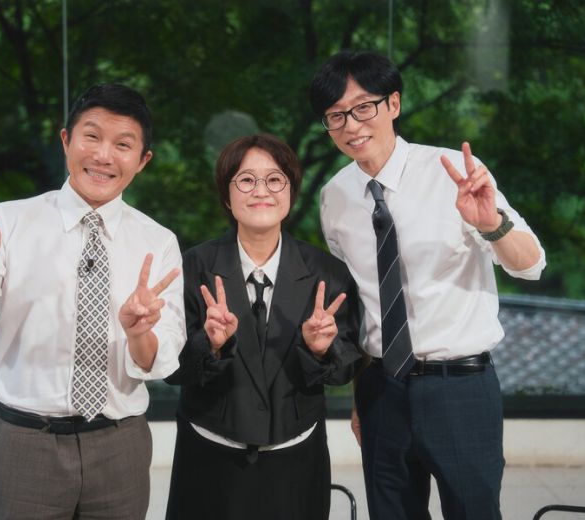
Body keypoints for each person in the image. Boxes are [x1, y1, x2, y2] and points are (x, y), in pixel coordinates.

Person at [0, 83, 186, 519]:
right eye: (92, 136)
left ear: (143, 160)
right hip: (26, 441)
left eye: (123, 145)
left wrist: (138, 333)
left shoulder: (158, 242)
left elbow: (158, 363)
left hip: (120, 444)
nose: (103, 155)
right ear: (66, 140)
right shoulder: (7, 222)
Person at [310, 51, 546, 520]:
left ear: (393, 104)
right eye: (336, 115)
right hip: (381, 389)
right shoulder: (334, 197)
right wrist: (359, 400)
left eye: (363, 107)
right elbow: (360, 308)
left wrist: (491, 224)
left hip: (460, 387)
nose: (351, 125)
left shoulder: (452, 171)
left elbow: (531, 265)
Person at [163, 134, 364, 520]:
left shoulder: (327, 273)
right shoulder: (192, 268)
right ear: (227, 195)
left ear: (290, 192)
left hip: (295, 460)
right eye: (246, 180)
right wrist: (210, 344)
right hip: (209, 459)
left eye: (274, 179)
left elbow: (345, 370)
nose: (261, 191)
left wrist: (321, 349)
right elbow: (171, 370)